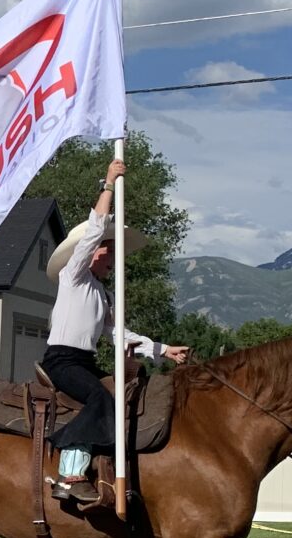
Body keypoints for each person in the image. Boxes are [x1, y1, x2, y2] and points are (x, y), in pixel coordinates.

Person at [42, 159, 191, 505]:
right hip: (62, 361)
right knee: (100, 398)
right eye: (110, 255)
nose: (113, 262)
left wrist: (163, 350)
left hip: (83, 360)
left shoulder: (103, 294)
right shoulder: (75, 277)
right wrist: (109, 184)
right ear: (94, 255)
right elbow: (93, 230)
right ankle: (69, 475)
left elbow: (117, 333)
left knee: (120, 397)